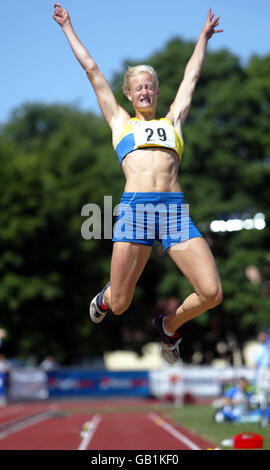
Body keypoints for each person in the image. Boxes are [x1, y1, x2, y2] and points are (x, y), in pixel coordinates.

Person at [53, 4, 223, 364]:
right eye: (137, 88)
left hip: (174, 212)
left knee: (211, 292)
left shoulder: (173, 121)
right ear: (129, 95)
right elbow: (92, 70)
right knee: (120, 304)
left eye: (149, 86)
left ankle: (169, 326)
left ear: (157, 91)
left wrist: (202, 38)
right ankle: (104, 297)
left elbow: (192, 76)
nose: (144, 91)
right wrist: (68, 27)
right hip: (136, 212)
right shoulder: (121, 122)